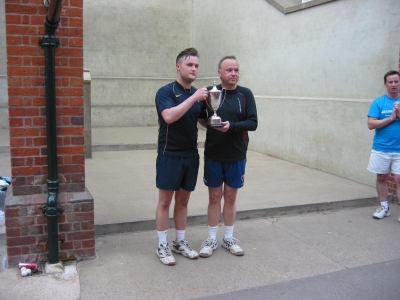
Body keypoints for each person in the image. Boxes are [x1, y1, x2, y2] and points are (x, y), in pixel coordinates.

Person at [198, 56, 258, 257]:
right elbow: (202, 118)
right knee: (214, 197)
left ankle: (229, 238)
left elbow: (253, 123)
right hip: (214, 154)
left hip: (236, 155)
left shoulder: (245, 94)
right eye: (229, 70)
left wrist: (231, 127)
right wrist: (213, 126)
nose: (234, 73)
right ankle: (212, 239)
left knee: (231, 197)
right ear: (220, 73)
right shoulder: (210, 94)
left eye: (236, 70)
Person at [155, 48, 208, 266]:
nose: (194, 68)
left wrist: (218, 119)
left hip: (191, 155)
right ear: (178, 66)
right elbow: (169, 116)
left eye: (196, 65)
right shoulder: (166, 92)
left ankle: (180, 241)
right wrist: (194, 98)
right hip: (170, 154)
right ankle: (162, 245)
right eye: (190, 65)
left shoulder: (198, 95)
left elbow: (203, 121)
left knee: (183, 200)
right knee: (165, 201)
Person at [367, 70, 400, 220]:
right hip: (381, 148)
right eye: (390, 82)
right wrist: (391, 118)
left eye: (396, 81)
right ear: (385, 84)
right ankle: (384, 207)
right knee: (381, 177)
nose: (393, 84)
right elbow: (371, 124)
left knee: (399, 179)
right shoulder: (378, 102)